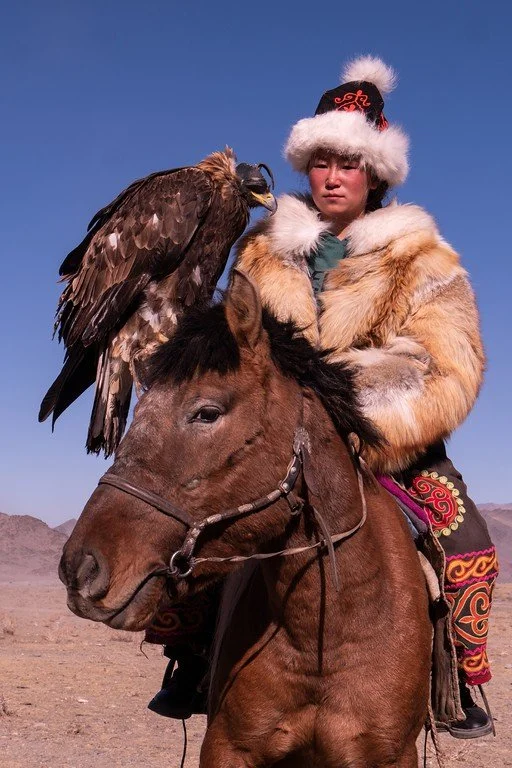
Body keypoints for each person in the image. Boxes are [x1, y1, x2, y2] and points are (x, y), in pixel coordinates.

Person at [148, 56, 498, 738]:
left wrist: (349, 411)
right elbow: (232, 350)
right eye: (321, 162)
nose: (334, 177)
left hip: (386, 447)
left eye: (349, 163)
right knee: (187, 528)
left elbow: (445, 364)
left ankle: (456, 682)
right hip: (272, 441)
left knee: (466, 541)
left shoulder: (425, 259)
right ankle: (190, 661)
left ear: (376, 173)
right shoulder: (262, 253)